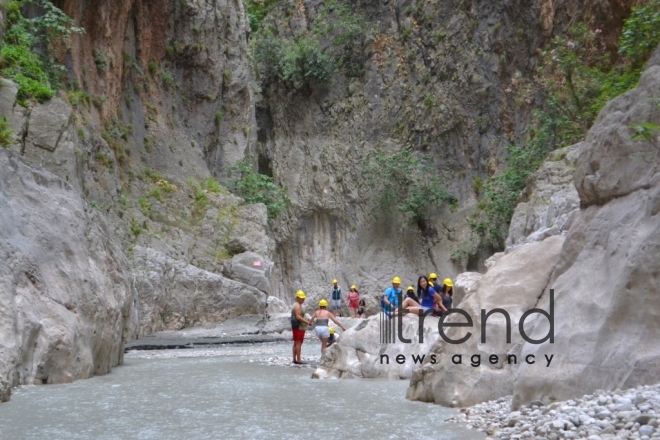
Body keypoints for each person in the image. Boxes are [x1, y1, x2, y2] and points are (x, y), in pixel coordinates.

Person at [291, 290, 311, 364]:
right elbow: (298, 317)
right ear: (298, 298)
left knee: (296, 342)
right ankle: (298, 359)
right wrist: (307, 322)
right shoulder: (298, 306)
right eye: (302, 298)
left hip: (295, 326)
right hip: (299, 326)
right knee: (299, 342)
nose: (303, 300)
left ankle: (294, 359)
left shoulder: (294, 304)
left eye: (303, 298)